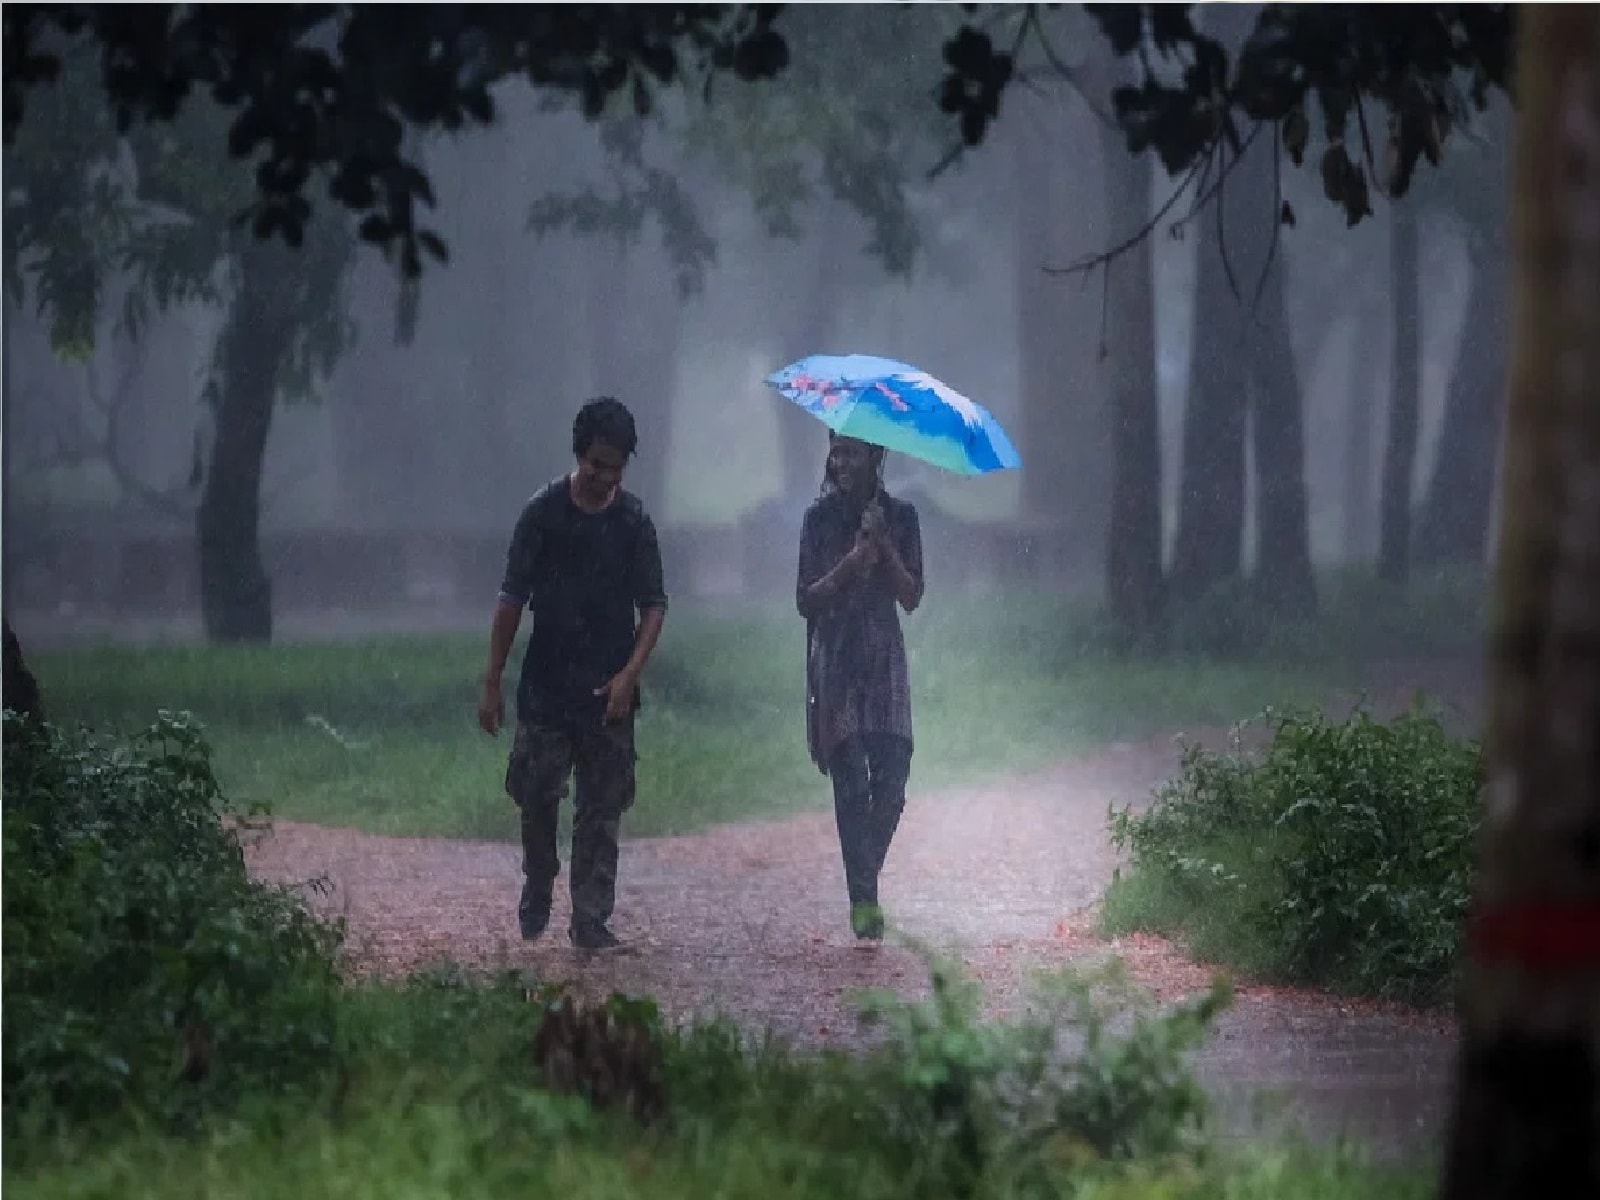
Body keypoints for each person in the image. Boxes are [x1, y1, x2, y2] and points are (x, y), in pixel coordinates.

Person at [478, 397, 668, 950]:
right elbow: (512, 597)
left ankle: (590, 918)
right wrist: (492, 680)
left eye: (616, 468)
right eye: (597, 465)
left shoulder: (633, 523)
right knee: (537, 796)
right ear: (579, 456)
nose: (605, 478)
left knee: (602, 810)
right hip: (546, 686)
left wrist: (630, 675)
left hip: (609, 688)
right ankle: (539, 880)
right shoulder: (543, 514)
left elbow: (653, 605)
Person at [796, 432, 925, 941]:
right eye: (836, 450)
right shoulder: (818, 520)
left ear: (877, 455)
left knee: (892, 775)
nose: (840, 461)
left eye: (851, 451)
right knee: (850, 778)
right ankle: (865, 903)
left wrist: (884, 547)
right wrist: (852, 561)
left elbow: (911, 595)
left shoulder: (903, 517)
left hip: (883, 656)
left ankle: (863, 876)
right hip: (838, 660)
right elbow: (805, 599)